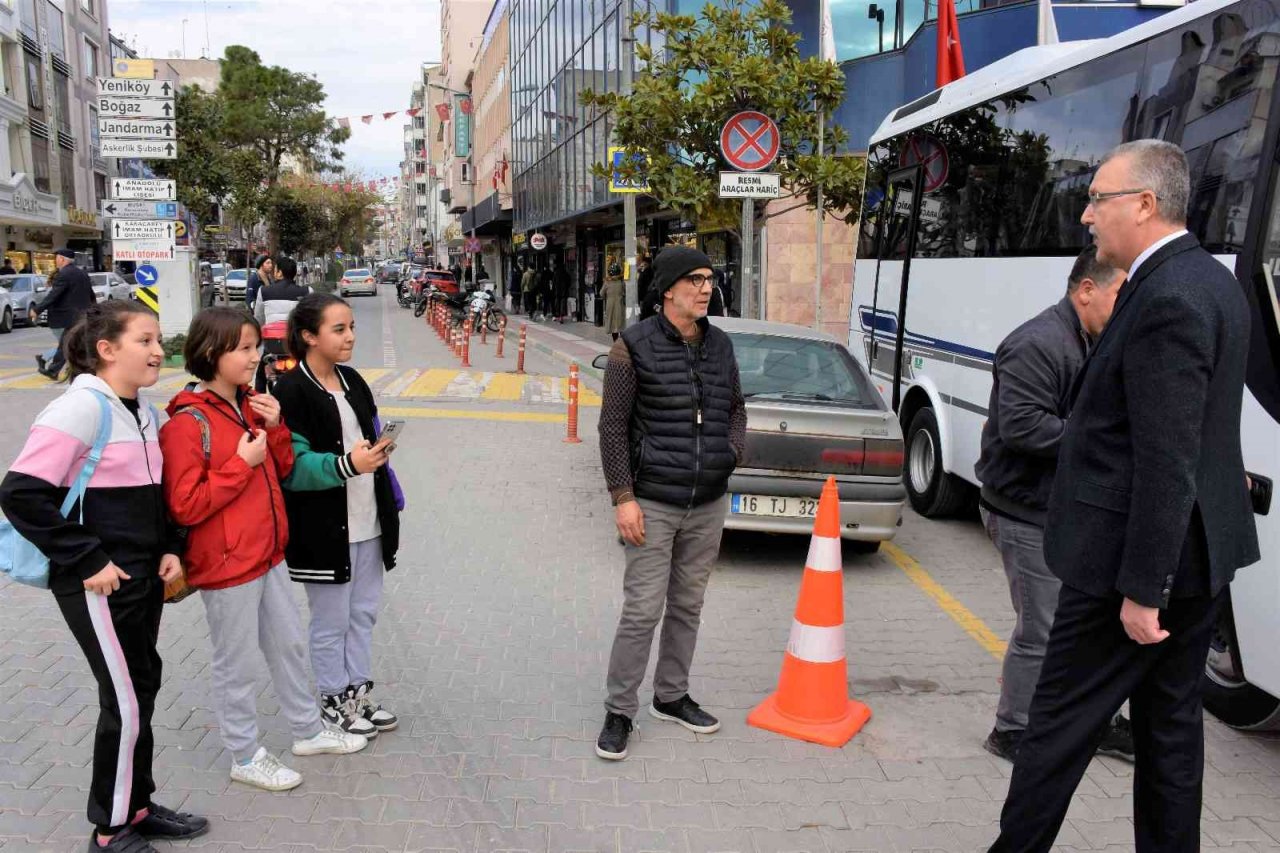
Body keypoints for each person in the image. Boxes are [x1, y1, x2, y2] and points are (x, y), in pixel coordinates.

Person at [989, 140, 1260, 852]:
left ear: (1143, 203)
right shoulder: (1211, 279)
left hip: (1130, 570)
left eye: (1097, 199)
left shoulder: (1167, 294)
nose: (1085, 215)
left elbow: (1165, 457)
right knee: (1170, 732)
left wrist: (1143, 589)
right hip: (1196, 558)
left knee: (1055, 729)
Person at [0, 300, 208, 852]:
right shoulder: (81, 409)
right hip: (99, 581)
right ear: (106, 349)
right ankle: (110, 828)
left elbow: (155, 498)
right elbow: (20, 493)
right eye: (144, 340)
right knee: (126, 699)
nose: (158, 350)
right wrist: (89, 560)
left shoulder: (143, 411)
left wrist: (170, 548)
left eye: (158, 339)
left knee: (141, 687)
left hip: (142, 574)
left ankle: (136, 805)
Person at [160, 308, 368, 793]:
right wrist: (239, 463)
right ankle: (244, 753)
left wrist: (275, 429)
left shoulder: (251, 403)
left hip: (268, 553)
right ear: (212, 353)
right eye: (245, 349)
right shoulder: (188, 423)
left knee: (288, 646)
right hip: (227, 565)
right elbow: (186, 505)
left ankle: (308, 730)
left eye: (256, 347)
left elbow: (282, 469)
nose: (256, 358)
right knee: (236, 663)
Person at [974, 244, 1133, 765]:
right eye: (1119, 295)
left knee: (1083, 623)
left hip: (1064, 509)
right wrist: (1100, 441)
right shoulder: (1038, 343)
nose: (1126, 307)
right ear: (1086, 290)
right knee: (1041, 627)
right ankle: (1012, 729)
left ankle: (1095, 719)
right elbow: (1022, 428)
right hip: (1022, 511)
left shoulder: (1088, 337)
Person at [594, 246, 747, 761]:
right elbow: (612, 427)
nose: (706, 288)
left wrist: (730, 453)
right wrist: (623, 497)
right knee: (642, 611)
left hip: (707, 501)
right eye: (694, 280)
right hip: (652, 502)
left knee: (688, 606)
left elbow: (736, 408)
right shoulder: (632, 346)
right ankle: (620, 710)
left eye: (709, 279)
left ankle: (671, 696)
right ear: (667, 289)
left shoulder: (721, 344)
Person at [274, 294, 402, 739]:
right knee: (331, 621)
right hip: (324, 527)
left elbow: (364, 433)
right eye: (339, 329)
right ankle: (333, 700)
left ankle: (358, 693)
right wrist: (349, 464)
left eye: (351, 327)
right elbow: (292, 466)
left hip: (369, 519)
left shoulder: (352, 380)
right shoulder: (290, 391)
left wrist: (378, 450)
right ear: (309, 336)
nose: (350, 337)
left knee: (363, 613)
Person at [34, 248, 96, 379]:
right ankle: (55, 370)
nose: (55, 261)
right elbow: (91, 295)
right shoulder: (82, 274)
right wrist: (95, 310)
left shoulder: (63, 274)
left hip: (69, 317)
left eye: (56, 258)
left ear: (62, 259)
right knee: (68, 344)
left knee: (70, 344)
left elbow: (53, 295)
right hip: (82, 315)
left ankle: (60, 370)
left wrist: (37, 309)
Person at [255, 256, 310, 325]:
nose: (273, 272)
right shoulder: (307, 291)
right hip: (294, 334)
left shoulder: (263, 291)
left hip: (271, 334)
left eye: (275, 270)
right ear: (295, 274)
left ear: (279, 273)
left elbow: (258, 318)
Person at [602, 261, 625, 341]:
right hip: (620, 306)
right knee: (621, 325)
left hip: (610, 306)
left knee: (613, 326)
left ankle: (615, 343)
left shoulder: (607, 282)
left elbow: (601, 293)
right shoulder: (622, 283)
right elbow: (625, 292)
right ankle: (622, 344)